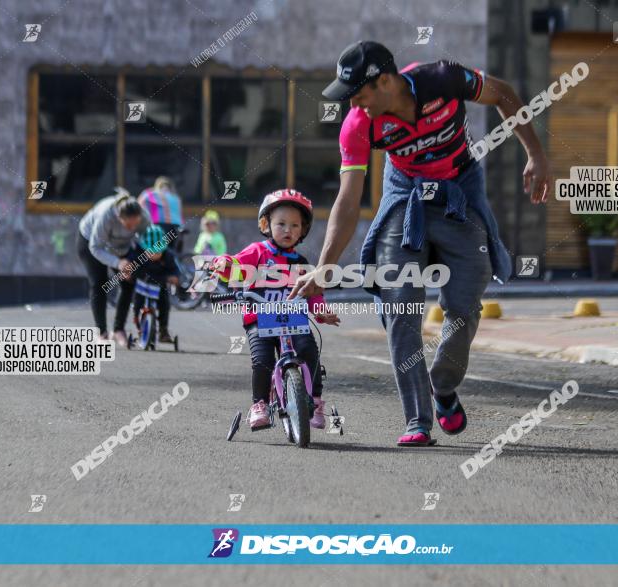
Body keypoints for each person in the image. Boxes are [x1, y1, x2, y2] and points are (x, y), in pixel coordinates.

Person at [289, 41, 550, 446]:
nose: (355, 106)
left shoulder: (442, 79)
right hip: (403, 189)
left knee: (466, 296)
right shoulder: (359, 124)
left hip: (459, 184)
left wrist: (535, 153)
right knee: (399, 303)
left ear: (385, 80)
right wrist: (325, 267)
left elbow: (503, 93)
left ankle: (443, 386)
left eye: (359, 95)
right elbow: (348, 198)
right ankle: (416, 420)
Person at [212, 190, 340, 430]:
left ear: (303, 229)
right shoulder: (257, 252)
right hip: (261, 320)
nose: (288, 230)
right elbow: (236, 267)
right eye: (281, 224)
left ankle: (314, 401)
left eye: (294, 225)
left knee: (309, 351)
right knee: (262, 361)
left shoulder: (301, 264)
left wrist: (321, 312)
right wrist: (224, 263)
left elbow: (313, 294)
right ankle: (259, 404)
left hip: (293, 320)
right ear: (265, 224)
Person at [77, 189, 151, 346]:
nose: (132, 228)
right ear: (119, 218)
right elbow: (95, 247)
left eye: (135, 224)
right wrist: (118, 263)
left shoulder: (143, 217)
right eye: (128, 224)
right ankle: (101, 332)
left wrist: (135, 262)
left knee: (128, 281)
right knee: (100, 284)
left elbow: (148, 241)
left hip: (121, 246)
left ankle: (118, 330)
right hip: (91, 242)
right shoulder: (107, 216)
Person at [128, 225, 181, 344]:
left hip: (159, 284)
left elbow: (175, 269)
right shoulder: (138, 255)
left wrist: (174, 277)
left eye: (158, 252)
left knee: (165, 304)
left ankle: (163, 330)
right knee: (137, 303)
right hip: (142, 284)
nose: (154, 255)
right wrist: (130, 272)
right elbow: (131, 266)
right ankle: (139, 328)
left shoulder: (168, 256)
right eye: (150, 252)